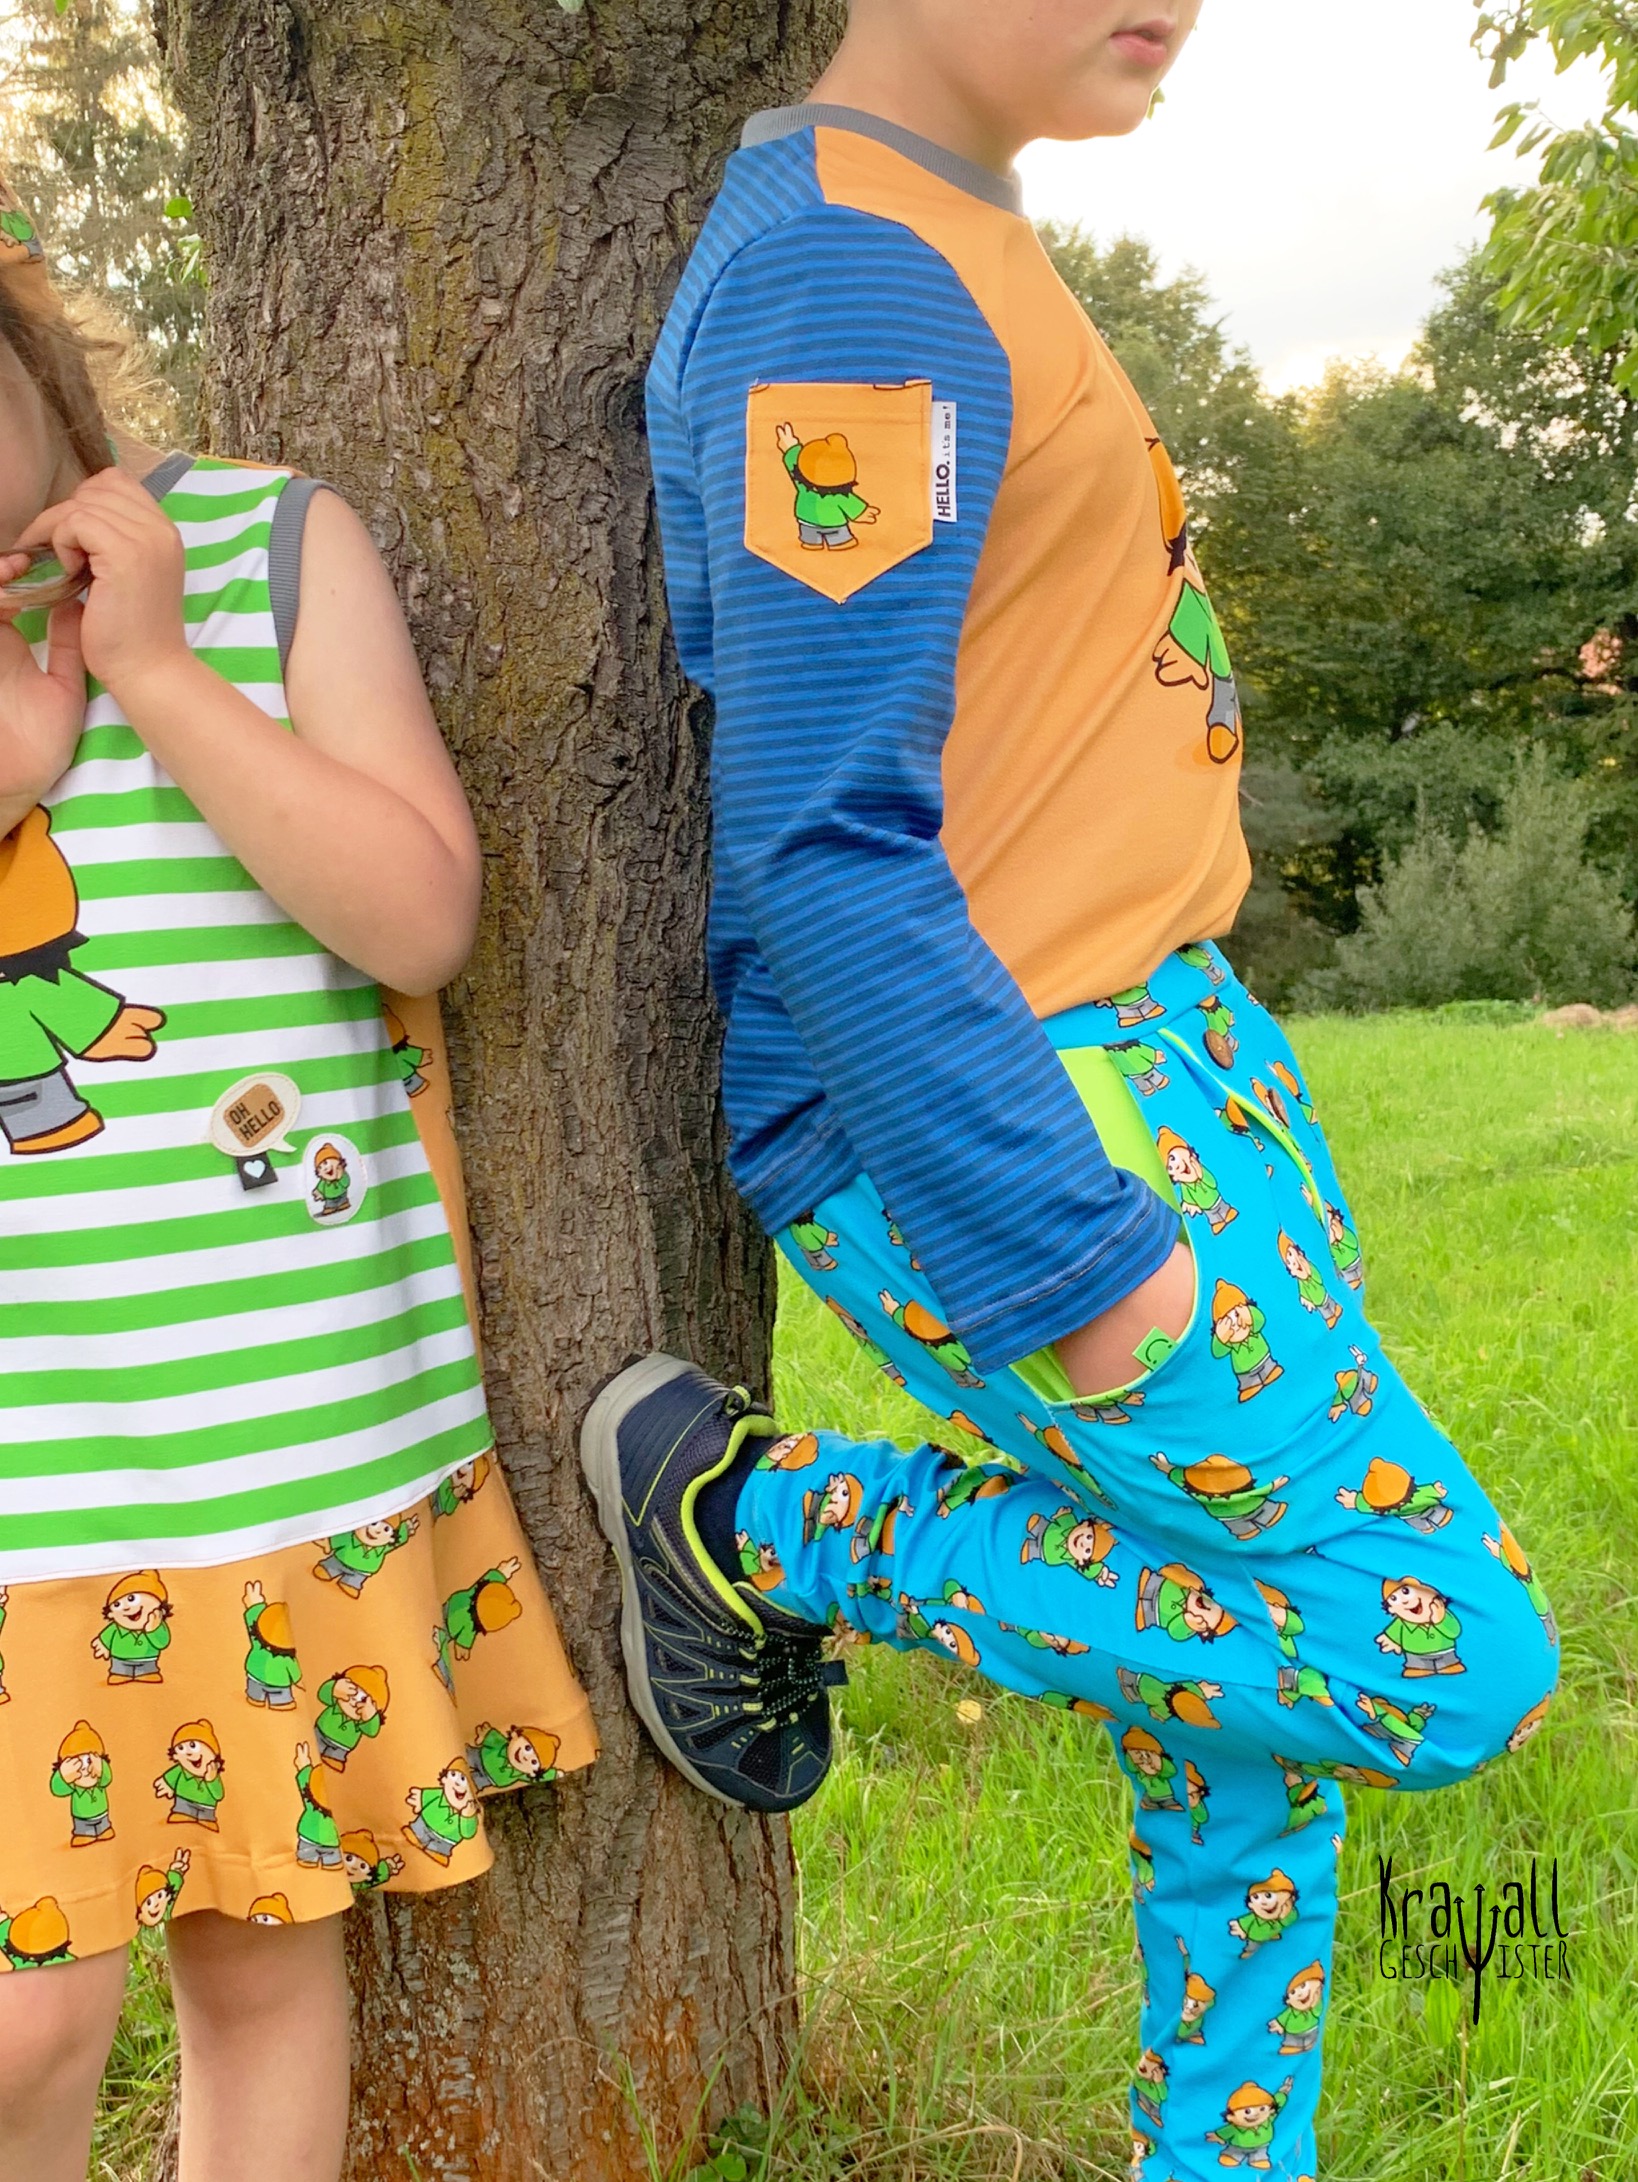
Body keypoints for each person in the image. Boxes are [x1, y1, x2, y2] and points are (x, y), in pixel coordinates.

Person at [580, 8, 1561, 2178]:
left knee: (1239, 1730)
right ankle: (759, 1521)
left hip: (1158, 1058)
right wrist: (1066, 1247)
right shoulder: (847, 280)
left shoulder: (950, 229)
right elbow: (823, 835)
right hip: (1028, 1106)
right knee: (1438, 1654)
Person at [0, 178, 596, 2182]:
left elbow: (419, 916)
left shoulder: (263, 549)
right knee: (25, 2014)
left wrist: (161, 677)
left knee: (260, 1956)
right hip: (25, 1460)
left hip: (281, 1428)